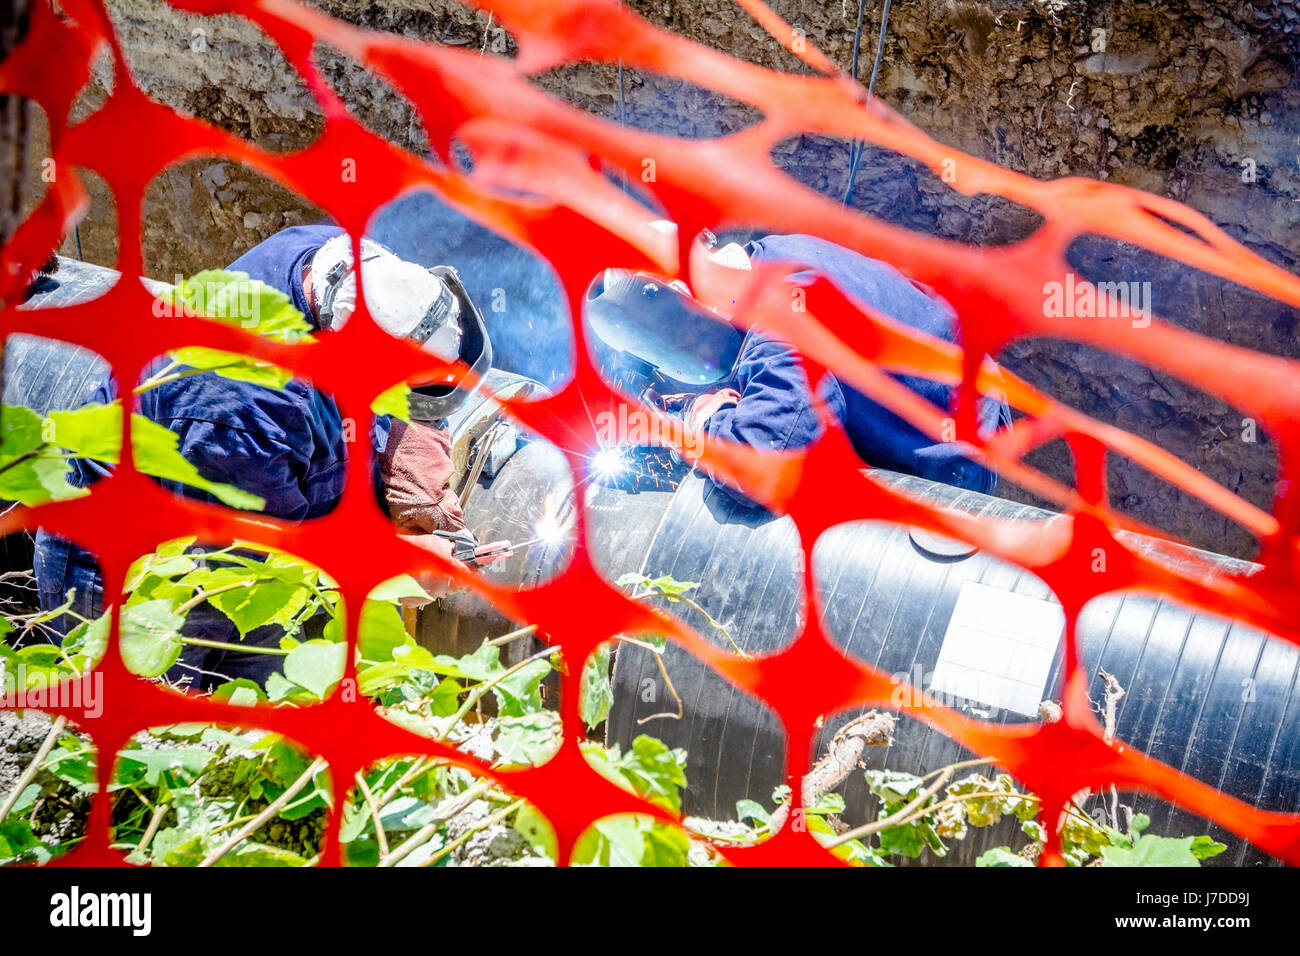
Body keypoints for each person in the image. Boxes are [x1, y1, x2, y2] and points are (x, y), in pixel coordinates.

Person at [31, 225, 501, 690]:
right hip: (144, 581)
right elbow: (268, 565)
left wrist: (412, 455)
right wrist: (398, 568)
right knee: (176, 735)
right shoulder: (247, 415)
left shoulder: (343, 264)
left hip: (246, 514)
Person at [585, 231, 1010, 506]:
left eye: (690, 346)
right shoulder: (771, 258)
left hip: (951, 457)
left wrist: (702, 422)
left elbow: (767, 459)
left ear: (690, 299)